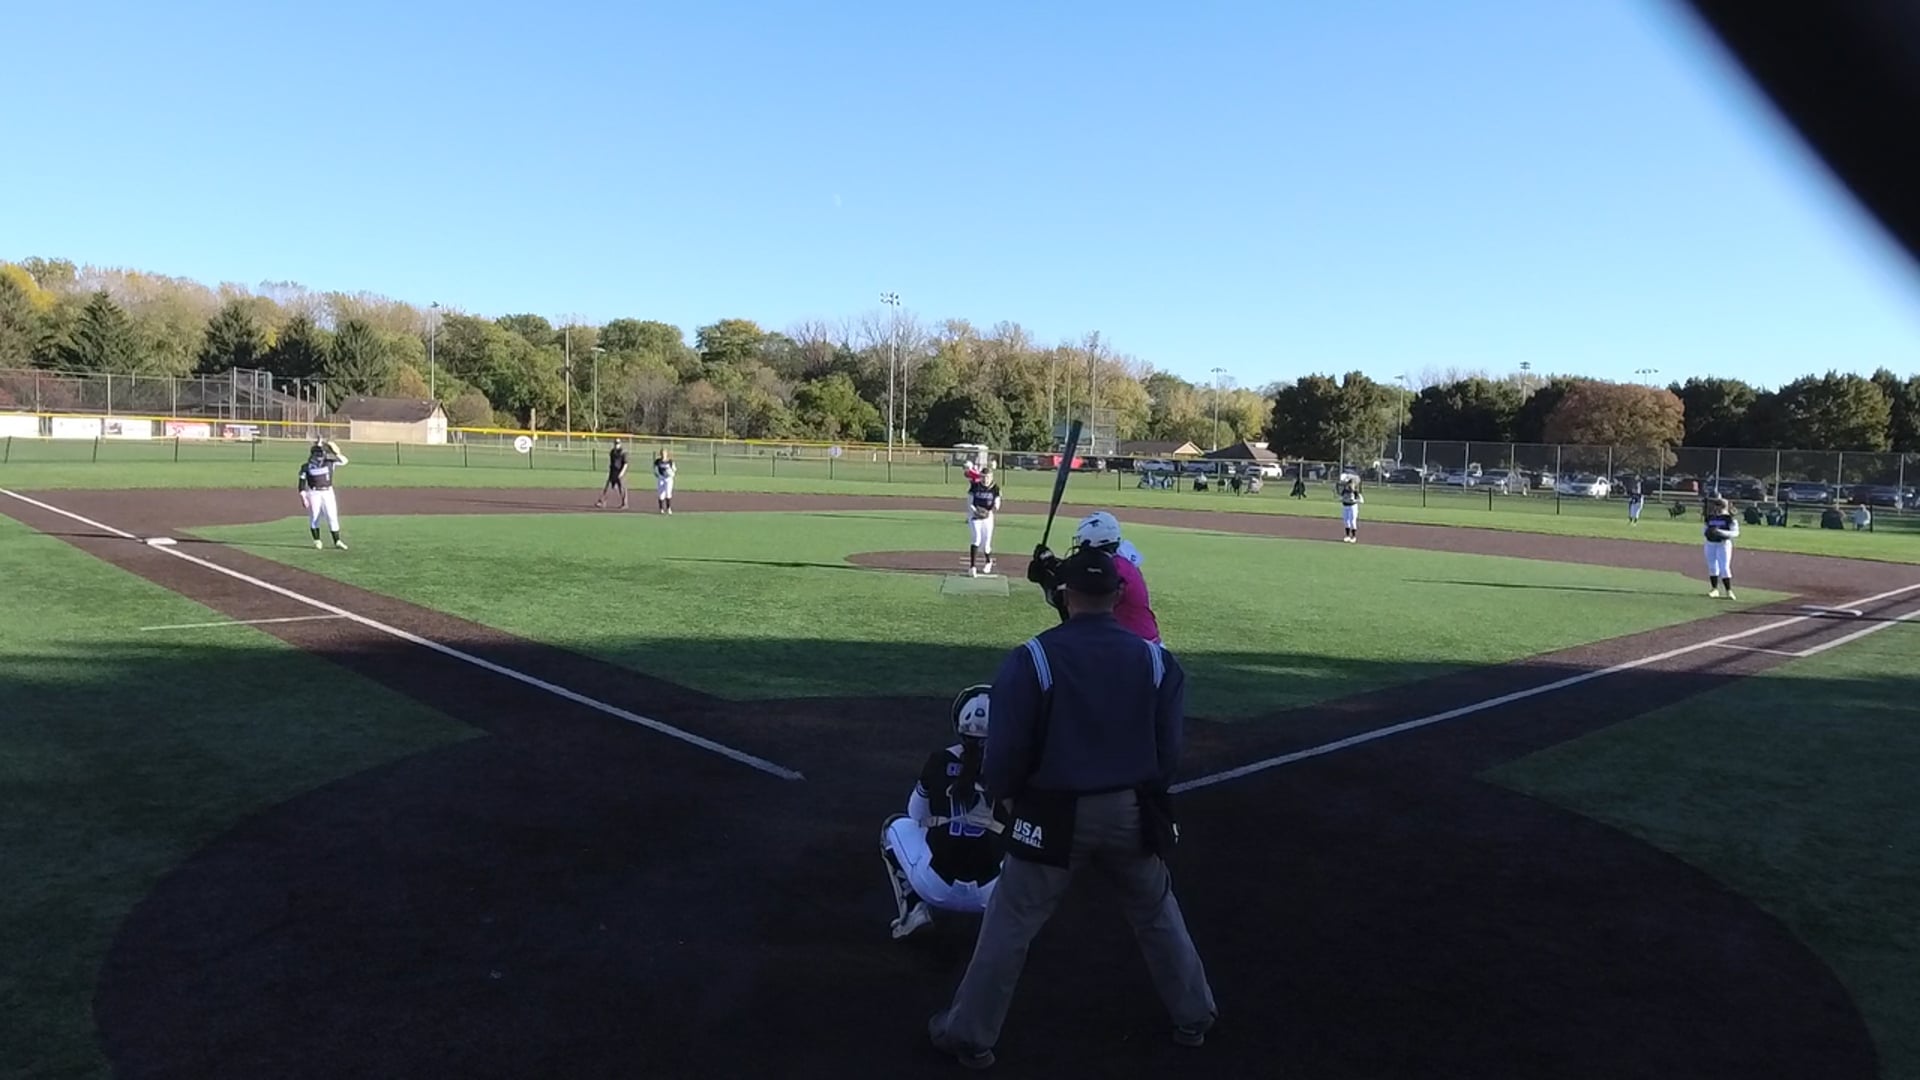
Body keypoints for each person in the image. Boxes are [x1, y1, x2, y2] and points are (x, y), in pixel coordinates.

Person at [927, 546, 1216, 1070]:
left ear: (1064, 595)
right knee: (1157, 913)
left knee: (1010, 923)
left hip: (1051, 815)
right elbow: (1169, 749)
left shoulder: (1033, 658)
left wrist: (1008, 796)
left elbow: (1006, 751)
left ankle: (970, 1036)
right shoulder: (1155, 659)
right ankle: (1194, 1017)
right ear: (1118, 593)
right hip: (1131, 810)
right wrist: (1147, 795)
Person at [881, 684, 1008, 940]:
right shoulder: (1014, 766)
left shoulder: (939, 760)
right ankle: (1013, 927)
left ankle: (914, 910)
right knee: (1028, 845)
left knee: (893, 826)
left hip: (935, 885)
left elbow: (915, 814)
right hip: (993, 894)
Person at [1026, 511, 1161, 643]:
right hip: (1127, 642)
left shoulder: (1113, 568)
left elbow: (1066, 602)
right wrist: (1048, 566)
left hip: (1137, 647)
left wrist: (1047, 570)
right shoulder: (1117, 561)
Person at [298, 439, 349, 550]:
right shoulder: (306, 467)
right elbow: (301, 484)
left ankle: (337, 541)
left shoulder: (329, 462)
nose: (319, 456)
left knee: (332, 516)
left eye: (320, 453)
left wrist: (336, 451)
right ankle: (317, 540)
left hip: (328, 492)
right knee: (315, 517)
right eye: (317, 453)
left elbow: (345, 461)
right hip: (314, 493)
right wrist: (304, 497)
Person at [966, 466, 1002, 576]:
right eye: (984, 477)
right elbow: (969, 502)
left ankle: (988, 561)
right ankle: (972, 567)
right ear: (981, 477)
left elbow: (997, 503)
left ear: (991, 477)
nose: (985, 479)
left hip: (988, 517)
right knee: (976, 539)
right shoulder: (975, 486)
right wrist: (976, 511)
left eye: (988, 477)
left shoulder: (995, 488)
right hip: (975, 516)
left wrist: (992, 509)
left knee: (986, 545)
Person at [1703, 496, 1741, 599]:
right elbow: (1705, 529)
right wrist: (1708, 533)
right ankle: (1714, 589)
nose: (1717, 508)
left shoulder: (1729, 519)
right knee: (1712, 566)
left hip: (1723, 544)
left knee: (1724, 567)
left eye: (1720, 505)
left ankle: (1729, 591)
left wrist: (1720, 532)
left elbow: (1735, 533)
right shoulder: (1710, 517)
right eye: (1716, 505)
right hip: (1710, 543)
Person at [595, 439, 629, 509]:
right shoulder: (612, 452)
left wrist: (622, 473)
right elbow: (612, 463)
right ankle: (602, 502)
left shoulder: (623, 453)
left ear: (620, 444)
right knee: (608, 488)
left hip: (620, 472)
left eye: (618, 443)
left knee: (622, 489)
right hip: (613, 472)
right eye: (615, 443)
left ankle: (625, 504)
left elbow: (625, 464)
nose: (616, 445)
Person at [1338, 477, 1363, 543]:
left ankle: (1354, 537)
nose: (1350, 485)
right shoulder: (1344, 491)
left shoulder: (1355, 492)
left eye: (1351, 484)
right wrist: (1342, 499)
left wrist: (1354, 500)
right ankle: (1347, 536)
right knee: (1346, 521)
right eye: (1349, 484)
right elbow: (1341, 498)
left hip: (1352, 507)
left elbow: (1361, 501)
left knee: (1352, 521)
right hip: (1345, 506)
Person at [653, 449, 676, 514]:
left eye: (664, 453)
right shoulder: (658, 461)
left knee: (668, 493)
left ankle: (668, 508)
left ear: (666, 454)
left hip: (668, 479)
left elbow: (674, 469)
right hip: (661, 478)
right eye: (662, 453)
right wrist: (656, 473)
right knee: (661, 495)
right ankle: (661, 509)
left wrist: (671, 473)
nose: (663, 455)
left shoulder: (670, 461)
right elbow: (655, 468)